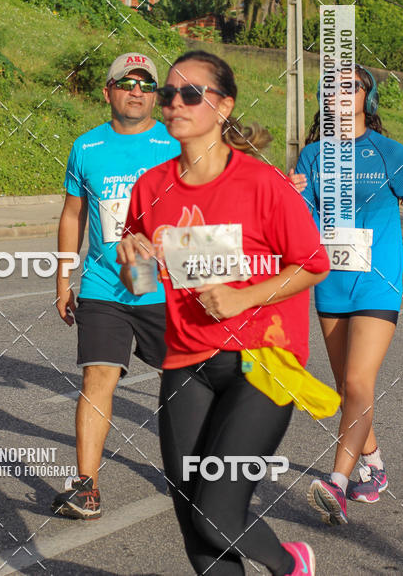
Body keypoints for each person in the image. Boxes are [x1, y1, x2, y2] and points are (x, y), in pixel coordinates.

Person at [117, 50, 332, 576]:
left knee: (216, 516)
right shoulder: (151, 186)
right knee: (192, 518)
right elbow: (144, 285)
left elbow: (312, 264)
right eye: (168, 95)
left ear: (224, 105)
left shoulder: (262, 183)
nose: (174, 103)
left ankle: (291, 564)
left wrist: (243, 296)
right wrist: (131, 263)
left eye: (191, 93)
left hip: (262, 362)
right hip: (186, 361)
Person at [294, 64, 403, 525]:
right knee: (347, 387)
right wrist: (290, 194)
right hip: (329, 283)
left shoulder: (390, 153)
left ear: (368, 98)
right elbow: (297, 223)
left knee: (357, 382)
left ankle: (337, 482)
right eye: (332, 87)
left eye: (351, 86)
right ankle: (373, 463)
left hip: (378, 281)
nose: (341, 93)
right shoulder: (312, 156)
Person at [51, 52, 180, 519]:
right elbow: (72, 215)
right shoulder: (86, 148)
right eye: (126, 83)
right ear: (108, 91)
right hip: (107, 284)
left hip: (165, 288)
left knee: (184, 382)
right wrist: (64, 277)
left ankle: (192, 473)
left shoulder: (174, 142)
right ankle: (86, 487)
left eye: (146, 84)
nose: (136, 91)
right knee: (97, 377)